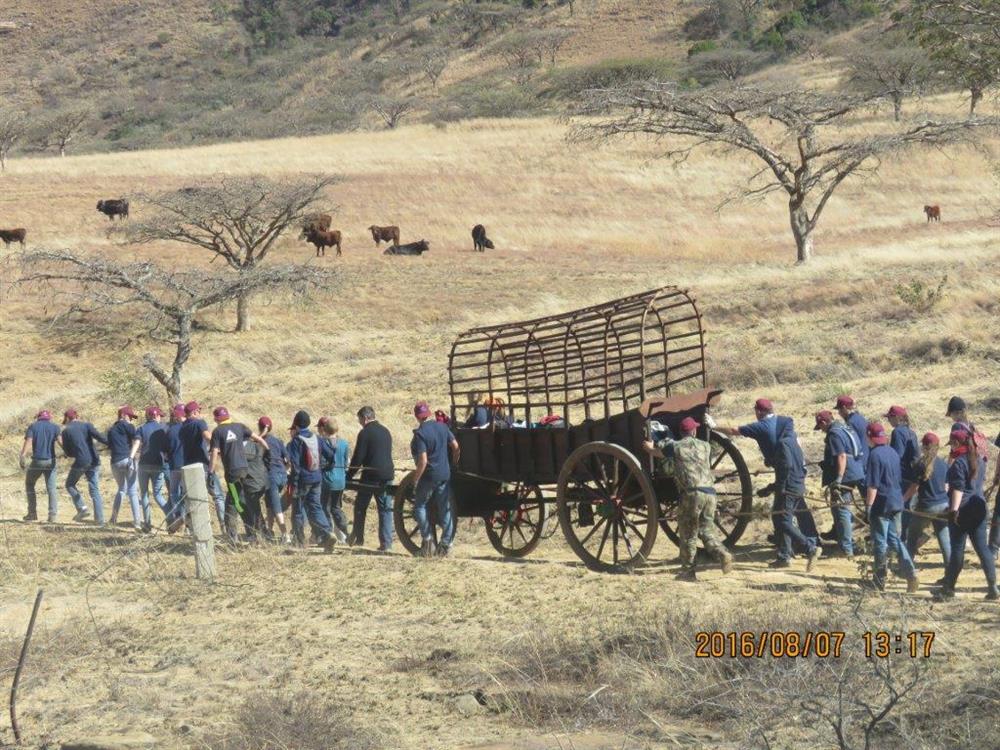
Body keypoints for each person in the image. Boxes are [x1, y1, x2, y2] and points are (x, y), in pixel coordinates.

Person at [720, 398, 821, 570]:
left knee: (782, 520)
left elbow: (785, 468)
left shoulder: (781, 444)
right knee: (784, 516)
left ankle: (810, 548)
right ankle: (784, 555)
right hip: (797, 482)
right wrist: (770, 488)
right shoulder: (792, 439)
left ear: (759, 411)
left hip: (788, 486)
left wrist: (776, 488)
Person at [643, 416, 733, 580]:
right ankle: (722, 554)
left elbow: (657, 451)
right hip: (710, 493)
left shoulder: (675, 446)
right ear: (694, 431)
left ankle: (687, 572)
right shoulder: (705, 446)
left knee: (688, 534)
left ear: (680, 432)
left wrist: (649, 448)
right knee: (707, 530)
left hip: (692, 494)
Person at [936, 426, 998, 601]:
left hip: (962, 510)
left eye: (952, 444)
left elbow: (958, 490)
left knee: (957, 549)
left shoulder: (959, 464)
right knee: (982, 549)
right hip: (979, 508)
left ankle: (948, 588)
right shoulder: (979, 459)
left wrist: (953, 511)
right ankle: (993, 587)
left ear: (957, 443)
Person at [865, 422, 919, 593]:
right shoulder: (893, 452)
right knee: (895, 539)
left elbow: (873, 485)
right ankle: (911, 573)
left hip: (882, 503)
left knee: (880, 542)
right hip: (897, 501)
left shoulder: (874, 455)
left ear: (869, 437)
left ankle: (879, 580)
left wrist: (868, 506)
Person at [209, 406, 267, 544]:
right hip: (244, 470)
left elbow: (214, 453)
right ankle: (253, 534)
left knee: (232, 504)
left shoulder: (217, 431)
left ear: (216, 419)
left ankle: (232, 537)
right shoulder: (239, 426)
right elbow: (258, 439)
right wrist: (268, 451)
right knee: (241, 500)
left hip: (232, 473)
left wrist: (210, 472)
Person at [410, 401, 460, 557]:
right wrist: (454, 462)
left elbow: (423, 461)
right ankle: (446, 543)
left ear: (417, 416)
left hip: (429, 476)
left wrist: (415, 479)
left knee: (419, 506)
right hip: (445, 474)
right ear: (429, 413)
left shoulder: (420, 434)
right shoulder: (442, 427)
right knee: (445, 510)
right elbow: (456, 446)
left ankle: (428, 540)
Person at [815, 410, 864, 558]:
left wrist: (838, 479)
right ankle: (848, 543)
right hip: (856, 470)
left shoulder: (833, 433)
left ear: (824, 422)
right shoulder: (846, 427)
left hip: (845, 474)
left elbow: (842, 456)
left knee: (841, 510)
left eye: (820, 427)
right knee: (843, 509)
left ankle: (846, 548)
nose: (821, 430)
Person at [347, 406, 395, 551]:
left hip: (371, 475)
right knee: (385, 509)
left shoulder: (365, 433)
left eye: (360, 419)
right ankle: (386, 543)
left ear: (366, 418)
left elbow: (358, 458)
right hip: (387, 474)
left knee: (360, 507)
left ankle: (358, 538)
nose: (359, 422)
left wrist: (348, 476)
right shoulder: (386, 431)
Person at [286, 410, 335, 552]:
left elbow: (294, 464)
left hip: (302, 480)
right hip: (317, 478)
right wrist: (326, 467)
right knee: (316, 507)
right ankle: (327, 534)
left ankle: (299, 540)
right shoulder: (317, 438)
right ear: (308, 423)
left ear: (296, 424)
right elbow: (331, 453)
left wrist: (294, 483)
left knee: (298, 510)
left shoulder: (296, 440)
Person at [904, 432, 951, 568]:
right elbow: (947, 487)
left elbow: (914, 487)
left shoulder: (921, 465)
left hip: (926, 506)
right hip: (943, 504)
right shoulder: (943, 464)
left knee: (912, 536)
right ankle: (951, 570)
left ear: (924, 447)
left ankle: (907, 568)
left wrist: (903, 500)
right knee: (944, 538)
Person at [179, 401, 226, 529]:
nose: (200, 413)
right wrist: (220, 448)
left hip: (188, 467)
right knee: (218, 496)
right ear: (194, 412)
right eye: (198, 411)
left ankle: (194, 528)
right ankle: (224, 526)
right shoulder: (199, 423)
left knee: (194, 499)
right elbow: (207, 436)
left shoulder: (182, 428)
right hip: (203, 466)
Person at [59, 409, 108, 525]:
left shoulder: (66, 431)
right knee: (94, 489)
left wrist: (69, 453)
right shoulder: (87, 425)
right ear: (78, 416)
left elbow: (69, 453)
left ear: (66, 419)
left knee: (69, 484)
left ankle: (82, 508)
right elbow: (101, 438)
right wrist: (114, 444)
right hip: (94, 460)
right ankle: (100, 520)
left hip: (81, 461)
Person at [20, 410, 63, 522]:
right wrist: (68, 452)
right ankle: (52, 515)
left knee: (29, 483)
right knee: (51, 488)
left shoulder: (33, 426)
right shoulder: (55, 427)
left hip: (37, 461)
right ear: (49, 417)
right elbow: (60, 442)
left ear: (38, 417)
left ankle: (32, 513)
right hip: (51, 461)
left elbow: (29, 441)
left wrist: (23, 456)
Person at [132, 406, 170, 532]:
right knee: (158, 494)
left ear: (148, 416)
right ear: (156, 416)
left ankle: (147, 524)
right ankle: (171, 517)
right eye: (159, 416)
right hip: (159, 464)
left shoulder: (141, 428)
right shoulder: (164, 428)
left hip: (143, 464)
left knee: (144, 494)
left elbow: (137, 443)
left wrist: (131, 457)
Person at [886, 405, 920, 541]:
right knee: (908, 507)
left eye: (890, 417)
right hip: (912, 475)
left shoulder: (898, 432)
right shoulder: (911, 432)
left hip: (903, 476)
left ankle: (901, 539)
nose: (889, 421)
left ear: (897, 418)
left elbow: (897, 456)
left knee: (901, 507)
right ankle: (910, 537)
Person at [108, 406, 142, 531]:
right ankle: (137, 522)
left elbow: (109, 445)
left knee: (121, 489)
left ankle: (113, 518)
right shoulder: (129, 426)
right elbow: (137, 439)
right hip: (128, 459)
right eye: (130, 416)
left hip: (115, 462)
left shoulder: (111, 429)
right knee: (133, 491)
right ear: (123, 415)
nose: (131, 420)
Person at [258, 416, 291, 544]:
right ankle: (269, 530)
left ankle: (285, 535)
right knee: (270, 503)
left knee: (276, 506)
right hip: (282, 475)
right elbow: (288, 460)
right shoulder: (278, 441)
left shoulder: (260, 442)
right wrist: (284, 470)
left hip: (270, 476)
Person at [318, 417, 350, 544]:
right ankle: (347, 532)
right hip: (340, 480)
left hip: (327, 480)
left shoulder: (322, 443)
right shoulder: (344, 443)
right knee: (336, 508)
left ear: (325, 429)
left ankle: (328, 534)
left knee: (324, 507)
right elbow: (346, 462)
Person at [241, 422, 271, 543]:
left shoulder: (240, 451)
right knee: (257, 508)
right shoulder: (257, 446)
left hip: (251, 483)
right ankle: (263, 533)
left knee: (253, 509)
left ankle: (261, 534)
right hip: (264, 481)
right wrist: (264, 432)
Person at [165, 404, 188, 531]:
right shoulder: (192, 426)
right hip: (190, 466)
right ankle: (188, 521)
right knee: (187, 493)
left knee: (174, 492)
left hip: (174, 465)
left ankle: (179, 514)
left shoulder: (171, 430)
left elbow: (165, 450)